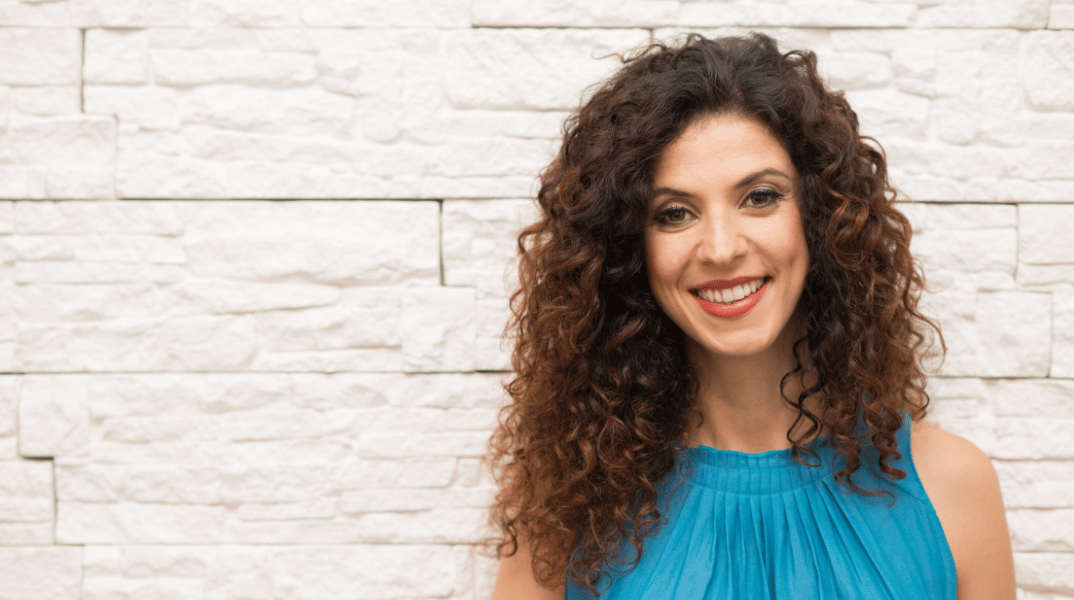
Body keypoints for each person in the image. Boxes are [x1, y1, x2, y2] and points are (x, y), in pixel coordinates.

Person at [487, 33, 1016, 600]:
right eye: (674, 213)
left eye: (760, 197)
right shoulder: (570, 504)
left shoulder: (952, 486)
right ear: (626, 249)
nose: (721, 249)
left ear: (821, 218)